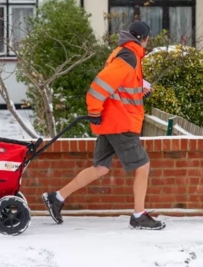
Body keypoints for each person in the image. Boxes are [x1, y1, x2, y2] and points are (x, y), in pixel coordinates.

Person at [42, 21, 165, 230]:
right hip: (121, 122)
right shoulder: (129, 56)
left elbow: (119, 85)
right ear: (143, 39)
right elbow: (100, 85)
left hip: (113, 120)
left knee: (100, 168)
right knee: (142, 165)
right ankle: (139, 215)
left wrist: (139, 88)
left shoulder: (123, 53)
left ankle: (57, 197)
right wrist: (93, 112)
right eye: (148, 39)